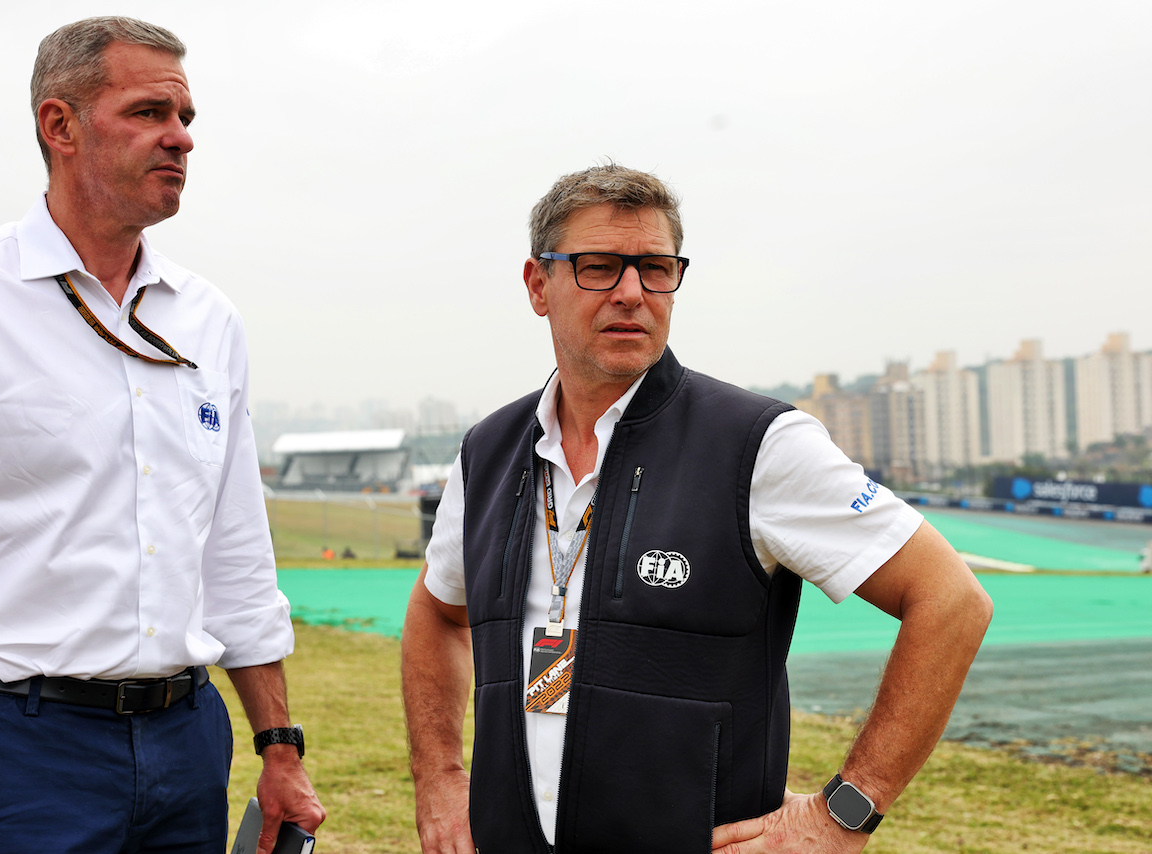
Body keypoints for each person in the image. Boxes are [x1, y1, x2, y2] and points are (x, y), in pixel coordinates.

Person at [401, 164, 993, 853]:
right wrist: (440, 782)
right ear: (539, 285)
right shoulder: (488, 452)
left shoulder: (760, 445)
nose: (631, 292)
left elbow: (951, 600)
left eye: (655, 268)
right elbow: (438, 612)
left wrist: (845, 813)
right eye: (599, 267)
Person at [0, 17, 325, 854]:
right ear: (60, 125)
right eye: (151, 112)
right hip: (14, 748)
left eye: (187, 118)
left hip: (187, 744)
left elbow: (235, 556)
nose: (181, 139)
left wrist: (279, 747)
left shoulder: (207, 319)